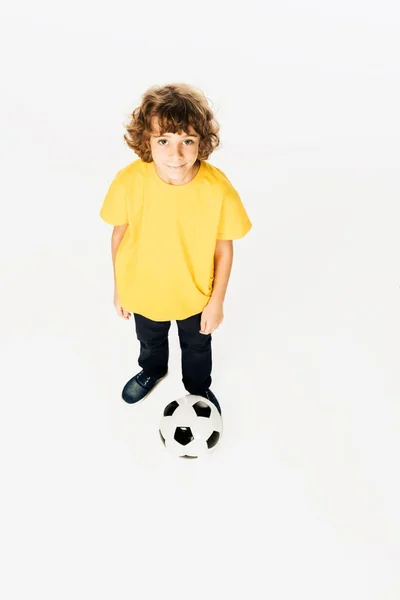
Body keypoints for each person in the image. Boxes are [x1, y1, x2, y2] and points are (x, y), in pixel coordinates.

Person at [100, 83, 252, 415]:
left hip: (194, 296)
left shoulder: (217, 190)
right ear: (147, 141)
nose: (176, 155)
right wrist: (120, 289)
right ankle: (153, 370)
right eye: (163, 141)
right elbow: (118, 236)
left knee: (197, 348)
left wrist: (216, 303)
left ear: (202, 142)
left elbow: (223, 250)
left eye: (188, 141)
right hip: (143, 291)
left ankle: (198, 389)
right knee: (150, 341)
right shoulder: (129, 181)